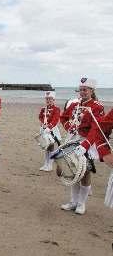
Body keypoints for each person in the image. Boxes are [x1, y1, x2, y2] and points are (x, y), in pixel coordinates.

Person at [59, 77, 104, 215]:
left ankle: (81, 203)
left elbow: (96, 129)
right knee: (73, 172)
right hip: (72, 140)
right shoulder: (74, 105)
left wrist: (85, 144)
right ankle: (73, 201)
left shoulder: (97, 107)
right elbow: (63, 117)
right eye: (81, 90)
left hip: (87, 143)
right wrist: (68, 127)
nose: (83, 92)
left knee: (85, 173)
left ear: (92, 90)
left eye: (85, 90)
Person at [38, 91, 61, 171]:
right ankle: (45, 164)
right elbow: (40, 117)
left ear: (53, 99)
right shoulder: (43, 109)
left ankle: (50, 165)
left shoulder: (56, 109)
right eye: (47, 99)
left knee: (51, 146)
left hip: (52, 130)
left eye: (50, 99)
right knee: (46, 147)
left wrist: (49, 127)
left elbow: (56, 119)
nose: (48, 100)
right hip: (44, 129)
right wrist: (41, 123)